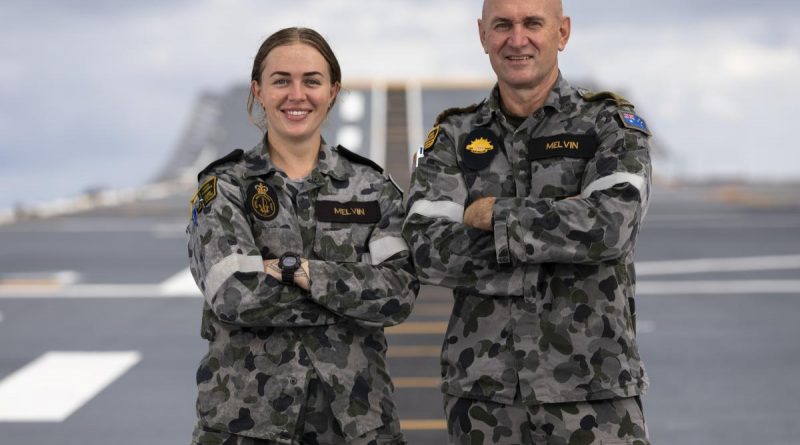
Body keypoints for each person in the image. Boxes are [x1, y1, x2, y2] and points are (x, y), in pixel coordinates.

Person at [403, 0, 652, 443]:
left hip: (594, 391)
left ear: (563, 32)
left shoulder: (609, 126)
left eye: (533, 23)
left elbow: (612, 227)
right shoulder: (453, 137)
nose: (517, 39)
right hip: (485, 397)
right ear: (483, 35)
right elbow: (426, 250)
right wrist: (563, 234)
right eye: (503, 25)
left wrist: (494, 215)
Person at [187, 27, 418, 445]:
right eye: (281, 81)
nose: (297, 95)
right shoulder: (224, 187)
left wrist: (299, 271)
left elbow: (398, 294)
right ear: (258, 91)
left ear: (333, 91)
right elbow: (234, 295)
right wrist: (349, 291)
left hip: (358, 424)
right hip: (245, 425)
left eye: (312, 80)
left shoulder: (372, 187)